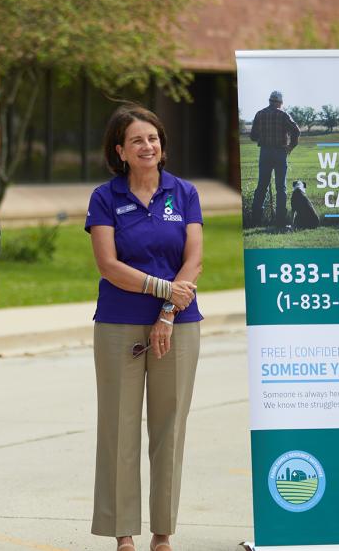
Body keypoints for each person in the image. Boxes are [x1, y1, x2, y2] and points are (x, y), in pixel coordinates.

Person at [85, 104, 203, 551]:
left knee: (170, 427)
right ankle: (123, 534)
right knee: (119, 426)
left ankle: (162, 533)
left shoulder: (185, 193)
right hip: (118, 322)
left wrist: (169, 311)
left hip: (180, 325)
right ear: (120, 150)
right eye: (137, 140)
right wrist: (163, 290)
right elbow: (109, 265)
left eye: (153, 139)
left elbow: (193, 259)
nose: (147, 146)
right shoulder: (105, 197)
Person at [249, 90, 300, 229]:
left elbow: (253, 136)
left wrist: (262, 137)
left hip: (264, 152)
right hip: (280, 152)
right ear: (280, 102)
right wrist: (290, 147)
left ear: (270, 100)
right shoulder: (283, 114)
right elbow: (296, 131)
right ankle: (280, 221)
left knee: (261, 187)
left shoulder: (260, 114)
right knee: (281, 188)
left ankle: (255, 220)